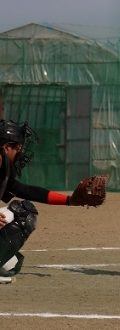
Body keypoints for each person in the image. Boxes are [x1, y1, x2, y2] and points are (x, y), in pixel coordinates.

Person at [0, 119, 103, 284]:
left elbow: (26, 191)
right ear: (6, 147)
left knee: (11, 263)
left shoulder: (5, 168)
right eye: (18, 147)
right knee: (23, 215)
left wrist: (70, 200)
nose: (21, 151)